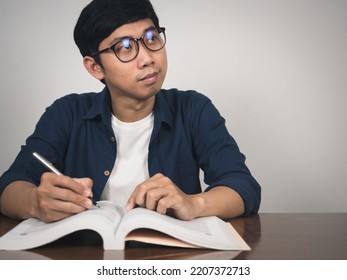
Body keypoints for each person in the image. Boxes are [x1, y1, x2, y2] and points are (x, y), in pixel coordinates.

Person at [0, 0, 261, 223]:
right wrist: (35, 202)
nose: (148, 58)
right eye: (125, 47)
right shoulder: (67, 113)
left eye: (152, 38)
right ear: (95, 68)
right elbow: (10, 186)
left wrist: (193, 203)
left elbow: (243, 186)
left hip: (171, 258)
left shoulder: (193, 109)